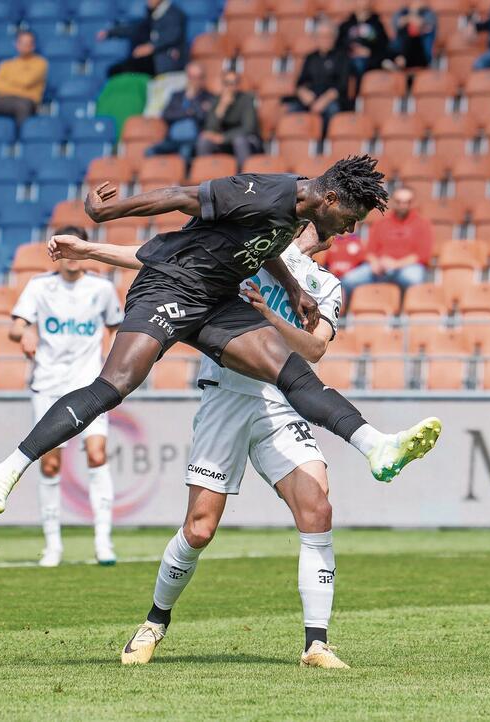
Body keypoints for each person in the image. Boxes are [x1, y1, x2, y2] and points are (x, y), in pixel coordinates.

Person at [0, 156, 442, 519]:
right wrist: (106, 212)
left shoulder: (298, 207)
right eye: (353, 218)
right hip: (170, 285)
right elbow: (181, 197)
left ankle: (375, 446)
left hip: (218, 300)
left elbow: (270, 244)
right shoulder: (259, 192)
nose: (351, 229)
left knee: (292, 373)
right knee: (114, 386)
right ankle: (10, 467)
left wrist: (295, 289)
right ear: (333, 200)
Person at [119, 223, 352, 669]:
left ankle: (316, 644)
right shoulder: (250, 252)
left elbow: (315, 349)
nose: (343, 227)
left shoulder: (327, 285)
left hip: (280, 402)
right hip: (225, 394)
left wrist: (270, 316)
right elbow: (164, 258)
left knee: (318, 508)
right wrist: (90, 250)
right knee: (199, 529)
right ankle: (154, 622)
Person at [9, 226, 124, 568]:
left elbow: (117, 328)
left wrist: (113, 362)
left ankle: (103, 540)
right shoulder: (39, 287)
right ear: (56, 252)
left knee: (97, 453)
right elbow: (16, 325)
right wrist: (26, 331)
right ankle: (53, 545)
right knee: (50, 461)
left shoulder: (102, 289)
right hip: (48, 384)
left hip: (89, 385)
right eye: (63, 248)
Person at [339, 186, 432, 296]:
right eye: (399, 202)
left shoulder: (423, 224)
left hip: (407, 267)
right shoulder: (381, 223)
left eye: (407, 202)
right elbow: (369, 251)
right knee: (348, 280)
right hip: (380, 267)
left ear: (412, 203)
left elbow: (422, 255)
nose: (403, 205)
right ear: (393, 202)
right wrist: (375, 263)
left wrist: (396, 264)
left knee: (413, 278)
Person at [146, 61, 214, 162]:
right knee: (150, 151)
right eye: (192, 77)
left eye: (198, 77)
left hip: (193, 140)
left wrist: (192, 101)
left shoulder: (208, 97)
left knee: (185, 151)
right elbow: (166, 114)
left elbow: (203, 117)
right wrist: (189, 112)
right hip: (173, 139)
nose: (195, 81)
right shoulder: (177, 96)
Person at [195, 69, 261, 173]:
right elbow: (210, 128)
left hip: (245, 140)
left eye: (234, 83)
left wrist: (224, 137)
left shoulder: (246, 99)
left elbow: (249, 127)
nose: (230, 87)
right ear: (223, 84)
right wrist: (221, 108)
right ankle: (205, 175)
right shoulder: (217, 100)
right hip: (223, 142)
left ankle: (245, 178)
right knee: (204, 141)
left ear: (238, 85)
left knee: (239, 141)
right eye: (227, 83)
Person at [100, 0, 186, 78]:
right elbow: (136, 29)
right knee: (115, 70)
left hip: (165, 62)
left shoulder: (175, 14)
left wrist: (150, 47)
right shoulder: (151, 14)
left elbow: (172, 36)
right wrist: (111, 32)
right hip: (149, 61)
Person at [289, 23, 349, 128]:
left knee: (332, 110)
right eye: (321, 36)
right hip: (311, 98)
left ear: (334, 38)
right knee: (292, 110)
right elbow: (300, 82)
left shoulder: (342, 57)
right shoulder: (311, 58)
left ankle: (323, 143)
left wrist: (323, 101)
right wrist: (304, 93)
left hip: (330, 100)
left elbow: (342, 85)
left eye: (328, 36)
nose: (325, 40)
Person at [336, 0, 393, 79]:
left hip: (370, 63)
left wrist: (369, 52)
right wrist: (351, 51)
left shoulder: (377, 25)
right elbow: (338, 46)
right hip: (349, 61)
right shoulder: (346, 25)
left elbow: (384, 48)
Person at [390, 2, 436, 70]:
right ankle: (399, 58)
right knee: (403, 32)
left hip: (422, 53)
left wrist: (413, 13)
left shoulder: (428, 13)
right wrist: (412, 16)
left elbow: (422, 25)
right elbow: (398, 24)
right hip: (404, 51)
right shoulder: (400, 12)